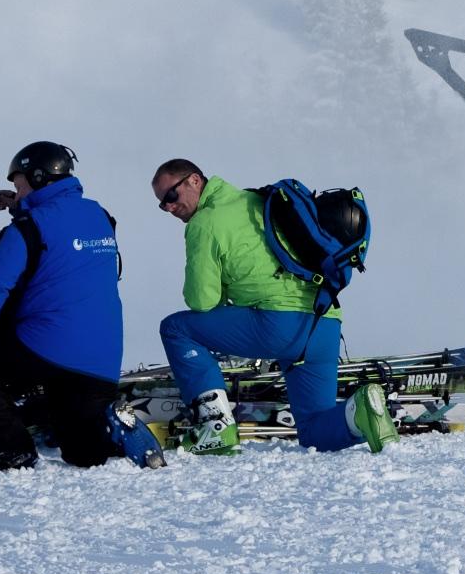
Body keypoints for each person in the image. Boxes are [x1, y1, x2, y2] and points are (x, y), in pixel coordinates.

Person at [150, 158, 395, 455]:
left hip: (277, 326)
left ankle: (215, 426)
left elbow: (202, 300)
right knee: (314, 432)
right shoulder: (257, 199)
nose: (170, 208)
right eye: (162, 205)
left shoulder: (205, 222)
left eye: (171, 197)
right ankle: (361, 412)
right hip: (323, 323)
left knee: (176, 328)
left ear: (194, 181)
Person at [0, 141, 140, 470]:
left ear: (38, 178)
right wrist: (23, 208)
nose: (17, 190)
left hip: (46, 347)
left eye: (19, 183)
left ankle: (13, 451)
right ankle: (105, 436)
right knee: (84, 454)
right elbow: (62, 235)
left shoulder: (26, 229)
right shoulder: (101, 217)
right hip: (102, 360)